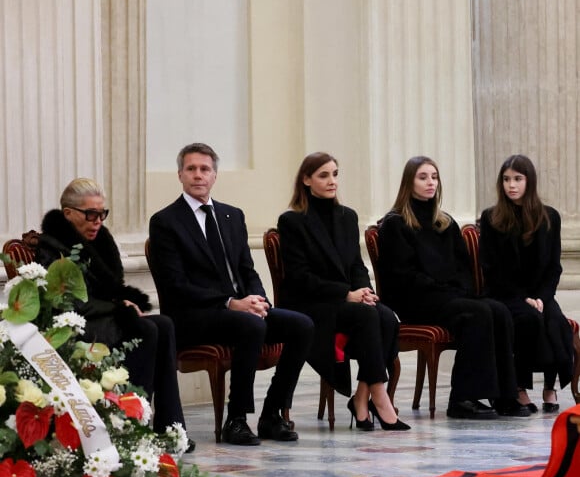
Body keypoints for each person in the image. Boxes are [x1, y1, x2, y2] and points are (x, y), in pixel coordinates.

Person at [148, 143, 314, 446]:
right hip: (193, 315)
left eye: (205, 169)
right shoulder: (165, 221)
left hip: (238, 309)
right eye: (191, 169)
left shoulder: (232, 216)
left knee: (301, 325)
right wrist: (230, 303)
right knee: (250, 325)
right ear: (180, 175)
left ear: (215, 175)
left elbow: (247, 270)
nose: (198, 175)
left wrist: (259, 300)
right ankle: (236, 420)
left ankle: (271, 413)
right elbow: (175, 284)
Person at [36, 178, 193, 450]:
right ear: (69, 213)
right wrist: (120, 307)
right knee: (146, 329)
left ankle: (170, 427)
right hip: (76, 325)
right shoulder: (52, 246)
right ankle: (133, 425)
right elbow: (66, 303)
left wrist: (122, 305)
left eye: (102, 214)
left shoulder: (103, 240)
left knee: (164, 324)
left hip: (106, 316)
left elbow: (113, 287)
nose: (97, 221)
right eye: (91, 214)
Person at [377, 156, 528, 419]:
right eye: (423, 177)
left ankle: (504, 395)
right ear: (408, 182)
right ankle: (462, 398)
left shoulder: (444, 223)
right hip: (416, 300)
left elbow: (463, 268)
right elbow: (403, 276)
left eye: (434, 177)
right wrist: (446, 291)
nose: (430, 183)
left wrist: (459, 290)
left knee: (499, 310)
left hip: (450, 297)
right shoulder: (396, 224)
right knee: (477, 313)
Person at [277, 152, 409, 432]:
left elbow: (355, 265)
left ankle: (361, 398)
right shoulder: (292, 221)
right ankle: (380, 397)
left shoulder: (347, 217)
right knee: (367, 316)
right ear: (306, 180)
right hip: (312, 304)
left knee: (386, 317)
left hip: (347, 302)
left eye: (335, 174)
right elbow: (300, 277)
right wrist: (345, 294)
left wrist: (365, 290)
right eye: (324, 175)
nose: (331, 181)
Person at [479, 154, 574, 413]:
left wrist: (542, 297)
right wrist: (523, 297)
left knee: (554, 321)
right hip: (505, 293)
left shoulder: (550, 217)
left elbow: (554, 267)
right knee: (528, 319)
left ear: (529, 182)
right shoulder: (491, 218)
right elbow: (492, 269)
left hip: (539, 293)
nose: (512, 185)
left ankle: (549, 387)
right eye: (507, 179)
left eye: (518, 179)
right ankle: (519, 387)